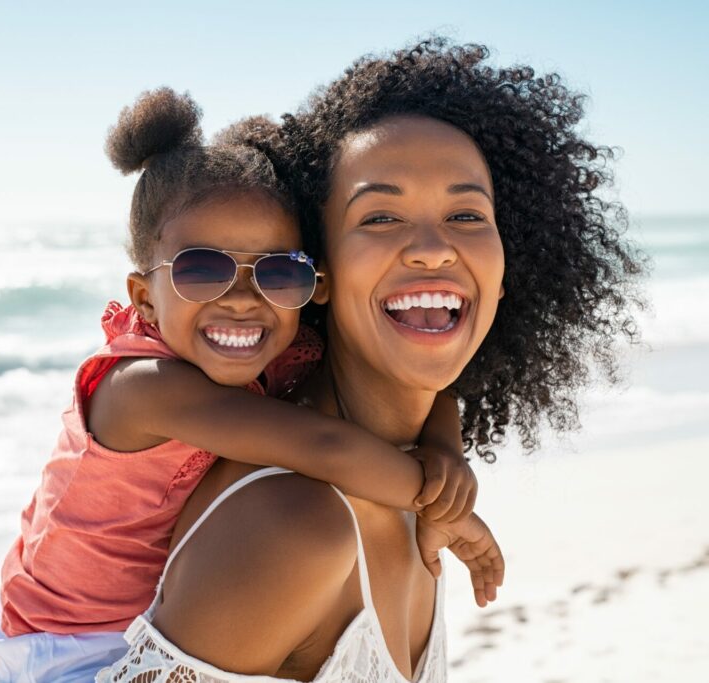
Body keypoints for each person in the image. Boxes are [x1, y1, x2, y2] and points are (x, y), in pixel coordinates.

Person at [100, 38, 644, 682]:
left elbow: (434, 403)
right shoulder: (296, 526)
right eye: (381, 215)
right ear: (318, 276)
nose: (433, 248)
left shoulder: (419, 485)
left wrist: (446, 452)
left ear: (504, 273)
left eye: (467, 213)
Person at [0, 87, 498, 683]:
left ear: (311, 283)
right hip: (63, 642)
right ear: (145, 297)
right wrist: (446, 506)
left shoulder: (269, 353)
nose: (246, 299)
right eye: (203, 270)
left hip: (132, 620)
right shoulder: (143, 388)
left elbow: (430, 389)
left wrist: (445, 451)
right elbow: (322, 446)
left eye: (279, 272)